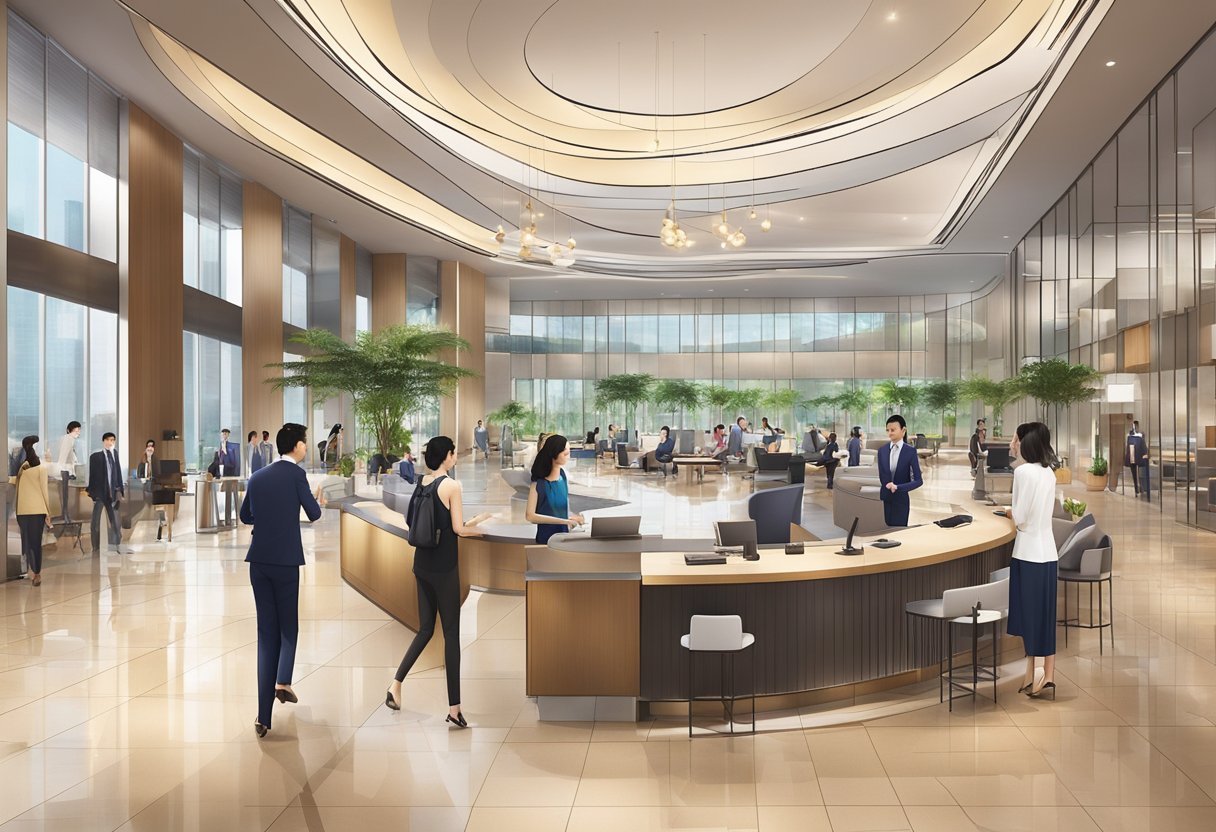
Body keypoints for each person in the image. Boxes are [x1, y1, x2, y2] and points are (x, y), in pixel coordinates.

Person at [385, 436, 491, 724]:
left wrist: (467, 524)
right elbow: (457, 529)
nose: (455, 455)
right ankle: (454, 709)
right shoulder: (452, 486)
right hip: (444, 568)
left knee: (425, 630)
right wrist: (481, 528)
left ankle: (396, 684)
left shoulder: (423, 483)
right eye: (453, 452)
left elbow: (432, 524)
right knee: (452, 635)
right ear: (446, 455)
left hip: (421, 564)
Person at [240, 423, 326, 738]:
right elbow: (314, 513)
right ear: (296, 446)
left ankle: (263, 718)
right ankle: (283, 681)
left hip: (258, 562)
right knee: (288, 628)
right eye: (304, 442)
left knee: (267, 636)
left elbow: (245, 516)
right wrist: (316, 497)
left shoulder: (258, 476)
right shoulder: (297, 476)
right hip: (286, 562)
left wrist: (268, 517)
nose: (306, 446)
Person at [1007, 422, 1060, 698]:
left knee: (1028, 616)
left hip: (1027, 553)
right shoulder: (1048, 473)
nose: (1012, 443)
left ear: (1025, 443)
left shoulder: (1023, 472)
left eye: (1015, 439)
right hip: (1048, 553)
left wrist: (1010, 513)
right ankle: (1044, 675)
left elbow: (1022, 517)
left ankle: (1034, 674)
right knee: (1044, 616)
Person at [526, 434, 585, 544]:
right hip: (546, 540)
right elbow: (530, 516)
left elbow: (559, 510)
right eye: (565, 453)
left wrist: (572, 518)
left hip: (564, 538)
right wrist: (564, 521)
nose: (568, 456)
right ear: (554, 454)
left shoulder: (562, 476)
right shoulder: (538, 484)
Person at [12, 436, 52, 586]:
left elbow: (12, 482)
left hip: (22, 510)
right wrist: (48, 513)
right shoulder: (41, 468)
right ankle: (37, 573)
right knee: (36, 542)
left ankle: (31, 570)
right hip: (38, 510)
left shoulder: (20, 468)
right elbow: (44, 491)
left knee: (27, 541)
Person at [876, 415, 922, 527]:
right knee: (885, 534)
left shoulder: (910, 452)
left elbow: (918, 481)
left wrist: (898, 487)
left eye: (893, 430)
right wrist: (887, 485)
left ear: (903, 430)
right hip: (885, 499)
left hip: (901, 500)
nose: (890, 433)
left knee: (899, 533)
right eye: (888, 430)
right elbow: (882, 476)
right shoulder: (882, 451)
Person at [87, 432, 125, 551]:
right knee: (95, 522)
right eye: (108, 440)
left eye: (112, 440)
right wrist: (93, 493)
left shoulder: (115, 454)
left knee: (114, 520)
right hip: (100, 494)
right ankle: (95, 547)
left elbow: (117, 472)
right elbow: (92, 476)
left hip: (112, 493)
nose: (110, 442)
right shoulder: (96, 457)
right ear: (103, 441)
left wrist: (120, 491)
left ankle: (116, 543)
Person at [1125, 421, 1150, 499]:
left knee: (1140, 473)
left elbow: (1143, 445)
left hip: (1139, 456)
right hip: (1132, 456)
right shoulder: (1129, 435)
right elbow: (1127, 447)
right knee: (1134, 473)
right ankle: (1136, 488)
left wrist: (1145, 453)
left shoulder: (1140, 435)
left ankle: (1141, 487)